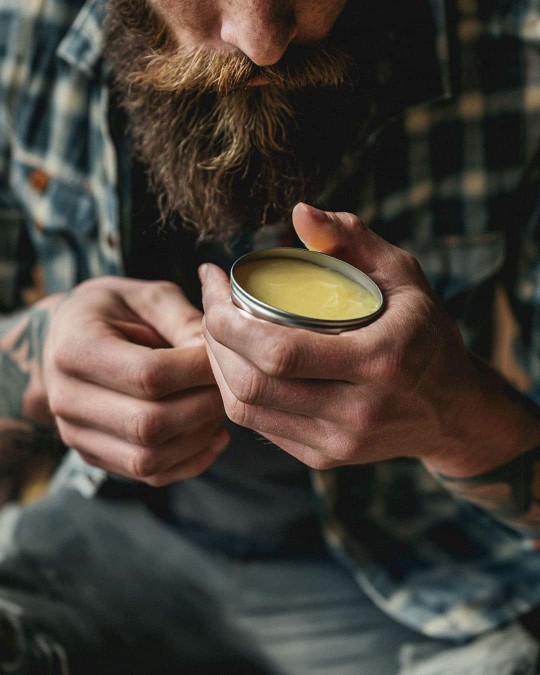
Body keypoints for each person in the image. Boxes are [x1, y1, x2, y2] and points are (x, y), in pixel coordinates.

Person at [1, 0, 540, 672]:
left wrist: (457, 415)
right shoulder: (18, 30)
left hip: (419, 582)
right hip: (100, 542)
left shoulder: (520, 52)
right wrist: (42, 357)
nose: (262, 41)